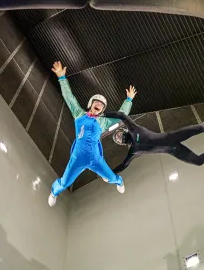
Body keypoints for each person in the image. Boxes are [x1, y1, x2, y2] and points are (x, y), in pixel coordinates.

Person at [48, 61, 137, 206]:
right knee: (64, 182)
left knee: (112, 177)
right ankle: (54, 192)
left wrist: (129, 100)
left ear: (102, 111)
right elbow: (69, 98)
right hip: (77, 157)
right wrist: (62, 78)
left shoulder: (103, 122)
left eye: (102, 105)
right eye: (97, 102)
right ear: (91, 104)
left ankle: (119, 182)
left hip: (96, 159)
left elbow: (121, 115)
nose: (100, 105)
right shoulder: (78, 113)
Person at [103, 111, 204, 175]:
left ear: (124, 130)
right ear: (121, 143)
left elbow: (121, 115)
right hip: (174, 150)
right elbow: (123, 166)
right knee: (198, 161)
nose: (119, 137)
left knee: (199, 128)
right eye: (118, 139)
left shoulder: (134, 129)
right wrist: (108, 173)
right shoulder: (133, 151)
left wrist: (103, 115)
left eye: (119, 135)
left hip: (173, 137)